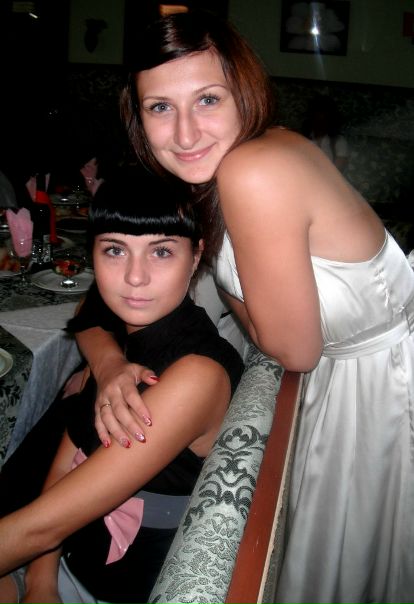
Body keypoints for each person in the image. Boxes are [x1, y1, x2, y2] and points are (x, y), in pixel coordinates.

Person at [67, 9, 414, 604]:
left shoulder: (253, 170)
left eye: (207, 99)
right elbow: (112, 302)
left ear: (244, 93)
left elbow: (294, 350)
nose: (185, 134)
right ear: (137, 117)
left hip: (380, 387)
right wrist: (105, 360)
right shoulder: (232, 165)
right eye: (160, 107)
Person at [0, 168, 244, 604]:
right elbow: (71, 451)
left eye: (161, 252)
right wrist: (40, 580)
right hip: (60, 561)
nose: (135, 277)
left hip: (113, 589)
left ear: (195, 257)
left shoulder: (196, 376)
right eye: (115, 250)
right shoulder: (124, 342)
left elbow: (39, 528)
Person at [301, 93, 349, 173]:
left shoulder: (339, 141)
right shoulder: (302, 139)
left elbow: (337, 171)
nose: (320, 124)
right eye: (317, 119)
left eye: (324, 120)